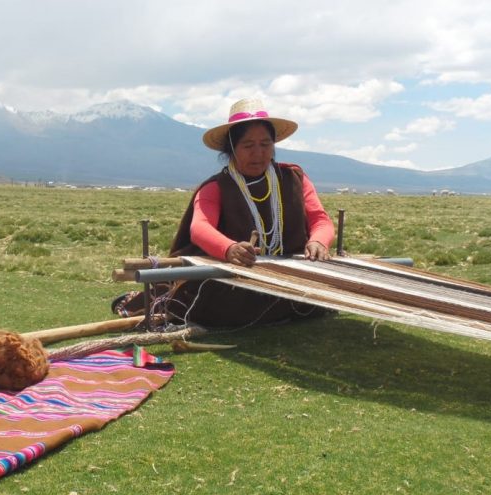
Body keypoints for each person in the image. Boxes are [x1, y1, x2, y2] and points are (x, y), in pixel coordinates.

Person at [114, 98, 335, 327]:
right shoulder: (216, 187)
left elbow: (320, 219)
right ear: (231, 149)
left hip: (289, 270)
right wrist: (229, 249)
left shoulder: (293, 178)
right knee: (226, 302)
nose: (258, 153)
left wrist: (319, 241)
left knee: (321, 290)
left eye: (265, 144)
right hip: (237, 274)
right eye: (248, 146)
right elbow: (200, 228)